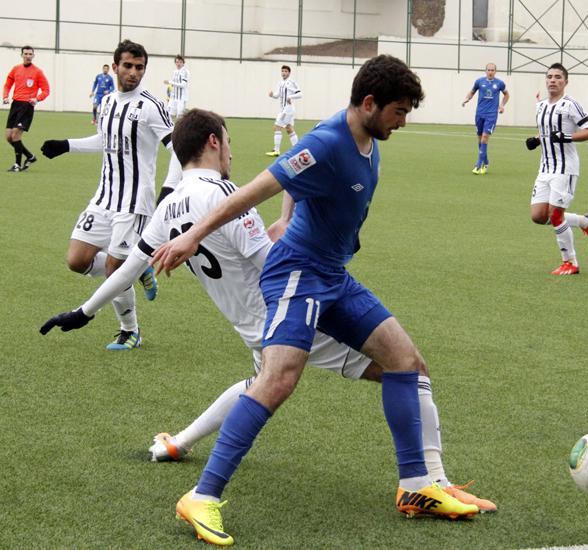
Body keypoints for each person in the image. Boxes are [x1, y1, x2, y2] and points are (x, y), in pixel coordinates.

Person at [39, 108, 496, 521]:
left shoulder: (168, 206)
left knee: (263, 383)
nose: (232, 152)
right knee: (408, 371)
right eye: (229, 141)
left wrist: (84, 311)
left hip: (249, 324)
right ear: (214, 142)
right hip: (289, 314)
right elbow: (271, 263)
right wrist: (306, 241)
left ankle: (179, 443)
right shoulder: (222, 196)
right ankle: (429, 481)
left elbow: (127, 270)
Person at [152, 55, 479, 545]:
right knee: (278, 379)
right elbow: (258, 188)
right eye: (398, 111)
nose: (403, 121)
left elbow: (298, 183)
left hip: (332, 274)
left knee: (406, 361)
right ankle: (201, 496)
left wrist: (289, 215)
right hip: (297, 274)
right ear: (369, 103)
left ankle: (417, 485)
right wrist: (192, 236)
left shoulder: (365, 139)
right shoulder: (328, 141)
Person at [40, 40, 180, 350]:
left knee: (114, 269)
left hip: (134, 202)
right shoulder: (106, 102)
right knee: (77, 260)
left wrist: (168, 190)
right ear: (115, 66)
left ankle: (130, 331)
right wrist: (67, 145)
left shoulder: (151, 106)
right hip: (104, 197)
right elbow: (106, 140)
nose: (134, 72)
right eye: (128, 66)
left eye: (140, 67)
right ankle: (138, 267)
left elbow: (178, 151)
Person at [525, 63, 588, 275]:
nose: (553, 80)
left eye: (558, 77)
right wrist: (537, 140)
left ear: (565, 81)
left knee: (556, 215)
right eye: (549, 77)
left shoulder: (570, 105)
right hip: (545, 168)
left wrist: (566, 137)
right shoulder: (541, 106)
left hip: (565, 169)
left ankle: (571, 262)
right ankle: (584, 221)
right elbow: (547, 132)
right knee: (538, 216)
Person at [3, 45, 49, 172]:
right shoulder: (16, 69)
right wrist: (5, 96)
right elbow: (7, 84)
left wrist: (37, 99)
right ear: (22, 55)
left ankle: (17, 165)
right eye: (26, 54)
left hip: (27, 106)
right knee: (9, 137)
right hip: (15, 105)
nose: (28, 56)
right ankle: (30, 156)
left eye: (30, 54)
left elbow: (46, 90)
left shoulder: (38, 72)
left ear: (33, 56)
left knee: (15, 135)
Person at [461, 62, 509, 175]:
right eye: (489, 70)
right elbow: (472, 92)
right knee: (480, 139)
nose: (490, 72)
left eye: (492, 70)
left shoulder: (500, 83)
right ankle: (486, 162)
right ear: (485, 71)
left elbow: (507, 95)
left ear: (495, 71)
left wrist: (502, 105)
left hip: (491, 115)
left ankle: (478, 164)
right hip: (479, 114)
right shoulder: (479, 82)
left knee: (485, 137)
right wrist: (466, 99)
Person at [265, 65, 302, 157]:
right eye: (282, 71)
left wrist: (290, 97)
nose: (284, 73)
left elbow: (300, 94)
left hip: (287, 109)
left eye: (286, 71)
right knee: (289, 129)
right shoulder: (280, 83)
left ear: (289, 73)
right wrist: (272, 95)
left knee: (277, 127)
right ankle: (297, 150)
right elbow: (277, 95)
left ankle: (276, 150)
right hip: (284, 109)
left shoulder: (292, 82)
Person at [164, 55, 190, 119]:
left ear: (183, 63)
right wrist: (170, 95)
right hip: (174, 97)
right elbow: (172, 85)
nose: (178, 64)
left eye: (180, 62)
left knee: (180, 116)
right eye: (177, 62)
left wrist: (170, 82)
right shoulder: (175, 72)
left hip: (181, 98)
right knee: (169, 114)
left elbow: (183, 85)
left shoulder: (185, 72)